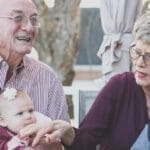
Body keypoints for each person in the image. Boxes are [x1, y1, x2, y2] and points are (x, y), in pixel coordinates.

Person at [35, 11, 150, 150]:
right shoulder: (120, 86)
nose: (139, 63)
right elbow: (85, 141)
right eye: (136, 52)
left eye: (149, 56)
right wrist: (68, 132)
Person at [0, 0, 69, 146]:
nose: (30, 27)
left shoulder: (47, 77)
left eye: (34, 20)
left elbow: (63, 141)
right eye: (18, 18)